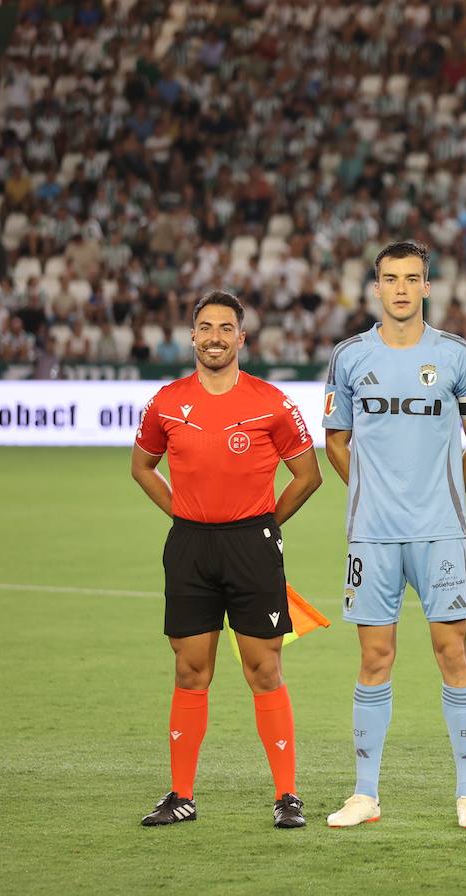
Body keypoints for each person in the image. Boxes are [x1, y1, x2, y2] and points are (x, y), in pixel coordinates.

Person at [131, 290, 321, 829]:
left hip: (252, 546)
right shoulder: (167, 401)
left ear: (242, 338)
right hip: (190, 545)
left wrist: (263, 526)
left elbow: (308, 476)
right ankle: (181, 795)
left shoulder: (271, 401)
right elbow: (143, 466)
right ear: (192, 336)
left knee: (264, 668)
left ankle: (287, 796)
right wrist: (184, 513)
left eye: (226, 328)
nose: (215, 337)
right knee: (191, 670)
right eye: (205, 327)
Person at [322, 240, 466, 830]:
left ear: (428, 286)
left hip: (439, 532)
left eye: (412, 278)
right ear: (376, 287)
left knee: (453, 652)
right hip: (372, 535)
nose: (400, 288)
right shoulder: (348, 357)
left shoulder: (455, 356)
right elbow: (336, 442)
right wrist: (369, 494)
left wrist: (443, 493)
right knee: (375, 657)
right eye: (390, 278)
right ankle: (365, 794)